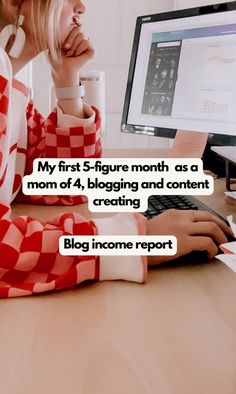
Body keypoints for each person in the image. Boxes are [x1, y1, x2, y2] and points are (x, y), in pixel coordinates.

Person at [0, 0, 232, 298]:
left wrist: (67, 78)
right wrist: (133, 239)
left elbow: (63, 180)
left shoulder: (11, 85)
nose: (81, 6)